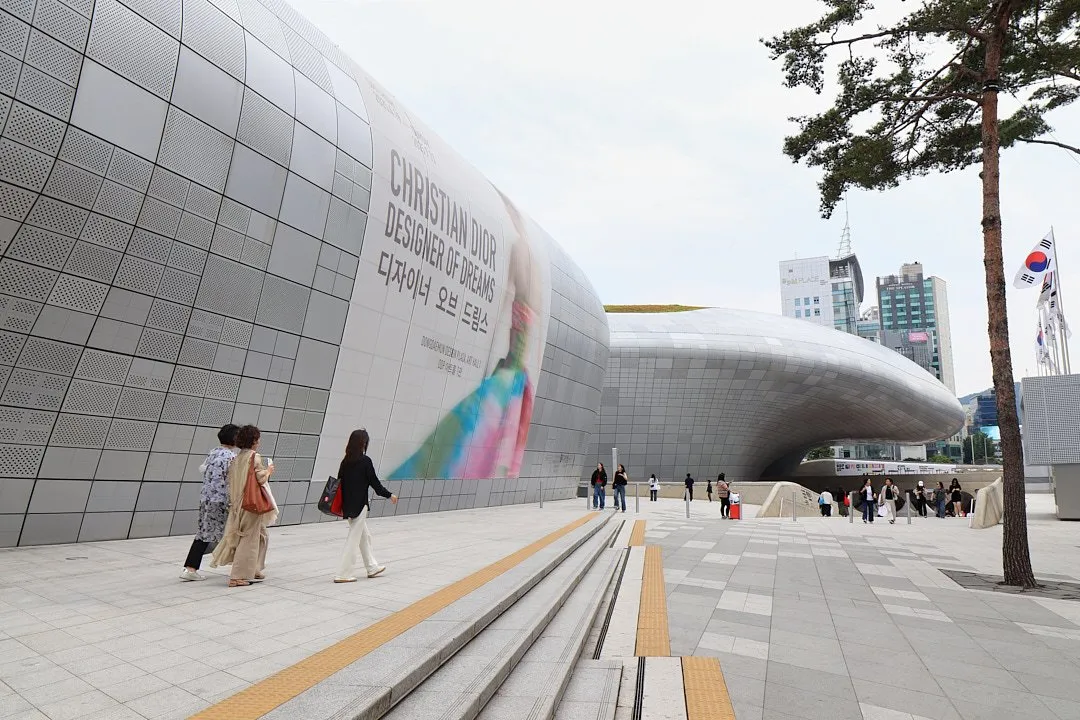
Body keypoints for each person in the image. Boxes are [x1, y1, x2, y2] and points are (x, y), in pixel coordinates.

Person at [210, 425, 275, 587]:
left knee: (261, 535)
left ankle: (254, 568)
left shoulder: (237, 458)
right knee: (249, 539)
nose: (259, 442)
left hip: (238, 503)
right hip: (250, 504)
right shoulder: (254, 456)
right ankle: (237, 576)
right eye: (257, 439)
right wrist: (269, 471)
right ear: (253, 440)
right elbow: (260, 478)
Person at [334, 429, 399, 583]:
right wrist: (390, 495)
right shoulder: (365, 461)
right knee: (353, 539)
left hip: (348, 505)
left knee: (364, 536)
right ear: (363, 443)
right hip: (359, 505)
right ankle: (343, 573)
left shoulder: (345, 462)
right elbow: (375, 484)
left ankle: (371, 567)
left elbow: (339, 482)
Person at [180, 424, 238, 581]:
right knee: (235, 531)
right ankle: (240, 568)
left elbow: (203, 470)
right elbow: (234, 481)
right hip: (221, 501)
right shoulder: (231, 458)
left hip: (206, 498)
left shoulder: (212, 453)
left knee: (203, 532)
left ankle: (190, 568)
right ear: (234, 439)